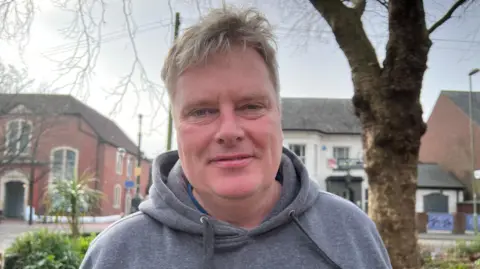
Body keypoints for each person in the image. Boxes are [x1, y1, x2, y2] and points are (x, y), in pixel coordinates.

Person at [80, 6, 392, 269]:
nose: (229, 131)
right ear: (177, 127)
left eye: (251, 106)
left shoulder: (352, 233)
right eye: (202, 111)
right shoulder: (117, 254)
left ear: (278, 116)